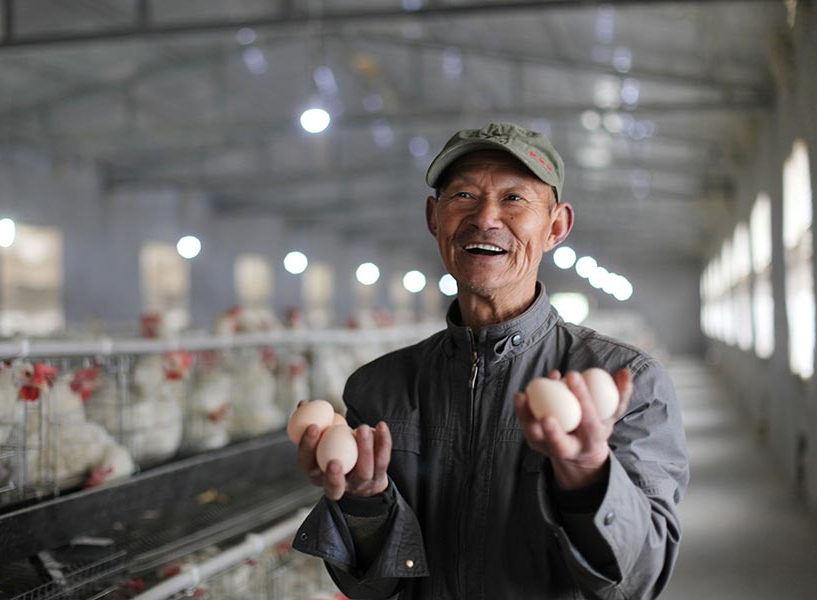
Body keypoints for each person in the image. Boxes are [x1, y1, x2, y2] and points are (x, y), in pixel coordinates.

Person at [293, 122, 689, 600]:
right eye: (462, 195)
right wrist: (364, 501)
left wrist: (589, 474)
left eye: (514, 199)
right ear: (433, 217)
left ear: (556, 226)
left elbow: (640, 580)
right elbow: (379, 586)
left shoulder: (626, 384)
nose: (485, 217)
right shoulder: (379, 389)